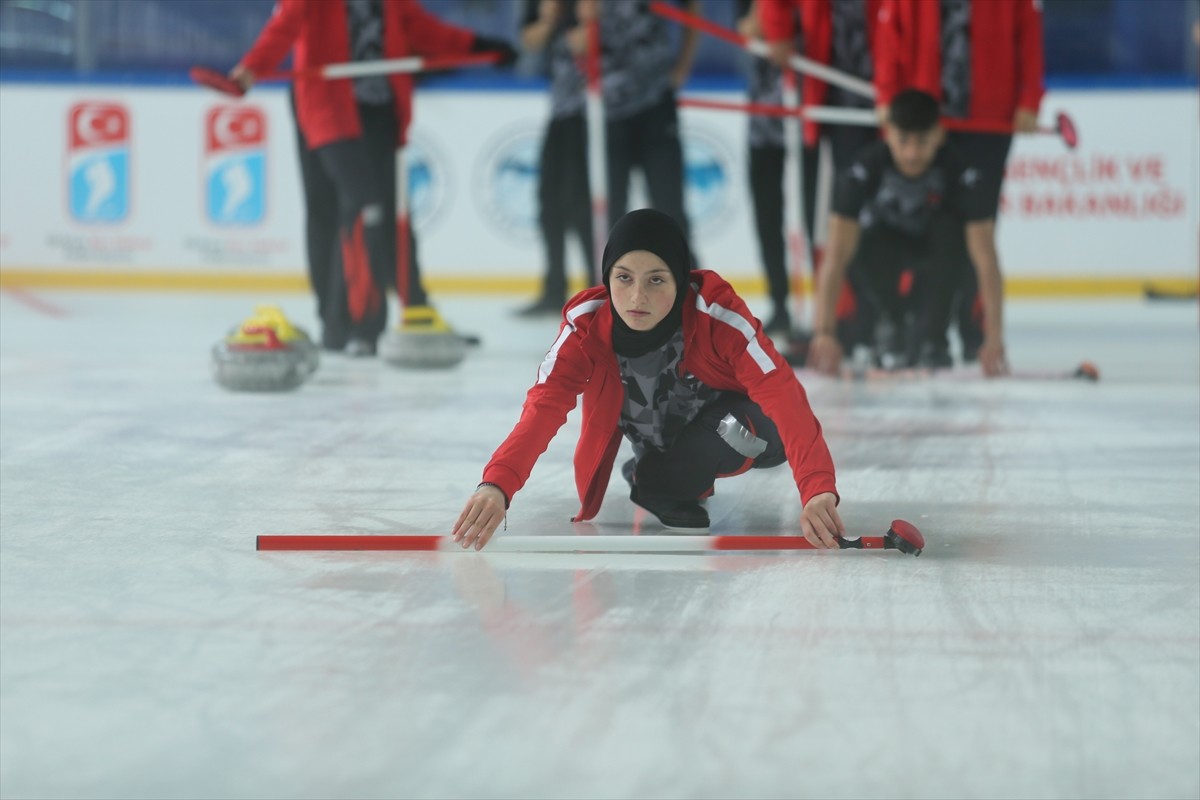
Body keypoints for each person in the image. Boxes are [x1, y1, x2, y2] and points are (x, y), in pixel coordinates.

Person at [451, 208, 844, 551]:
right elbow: (544, 406)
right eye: (623, 278)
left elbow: (781, 392)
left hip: (728, 420)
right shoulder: (585, 327)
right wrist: (496, 485)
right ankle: (653, 477)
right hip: (656, 433)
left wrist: (817, 487)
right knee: (670, 482)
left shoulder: (718, 315)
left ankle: (668, 475)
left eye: (656, 280)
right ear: (607, 278)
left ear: (678, 279)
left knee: (762, 438)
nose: (637, 296)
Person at [231, 0, 517, 355]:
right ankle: (350, 326)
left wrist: (479, 45)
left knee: (393, 212)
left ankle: (416, 314)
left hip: (379, 111)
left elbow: (421, 29)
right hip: (327, 105)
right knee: (352, 207)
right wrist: (251, 69)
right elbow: (283, 27)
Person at [873, 0, 1043, 361]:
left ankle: (974, 329)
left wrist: (1029, 95)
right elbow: (891, 30)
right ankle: (926, 331)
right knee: (930, 226)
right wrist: (889, 93)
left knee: (979, 226)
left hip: (988, 117)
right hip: (927, 116)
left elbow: (1028, 30)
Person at [807, 89, 1008, 377]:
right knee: (857, 238)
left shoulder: (962, 173)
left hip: (939, 254)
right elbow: (835, 257)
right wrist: (824, 332)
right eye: (903, 141)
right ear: (887, 133)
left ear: (939, 135)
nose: (912, 154)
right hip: (883, 250)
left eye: (922, 142)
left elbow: (986, 261)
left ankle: (932, 336)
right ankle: (891, 324)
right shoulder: (862, 171)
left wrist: (994, 338)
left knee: (957, 238)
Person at [566, 0, 699, 238]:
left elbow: (693, 7)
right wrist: (585, 27)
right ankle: (610, 274)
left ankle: (686, 274)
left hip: (656, 104)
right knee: (609, 213)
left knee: (671, 209)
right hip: (607, 115)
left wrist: (683, 66)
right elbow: (573, 40)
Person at [735, 0, 820, 336]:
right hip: (764, 115)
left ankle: (825, 307)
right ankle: (781, 303)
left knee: (814, 215)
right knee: (768, 215)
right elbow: (747, 28)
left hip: (809, 113)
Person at [514, 0, 595, 319]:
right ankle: (553, 287)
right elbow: (529, 41)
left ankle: (600, 286)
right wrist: (549, 18)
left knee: (584, 206)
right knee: (549, 201)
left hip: (597, 111)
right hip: (561, 111)